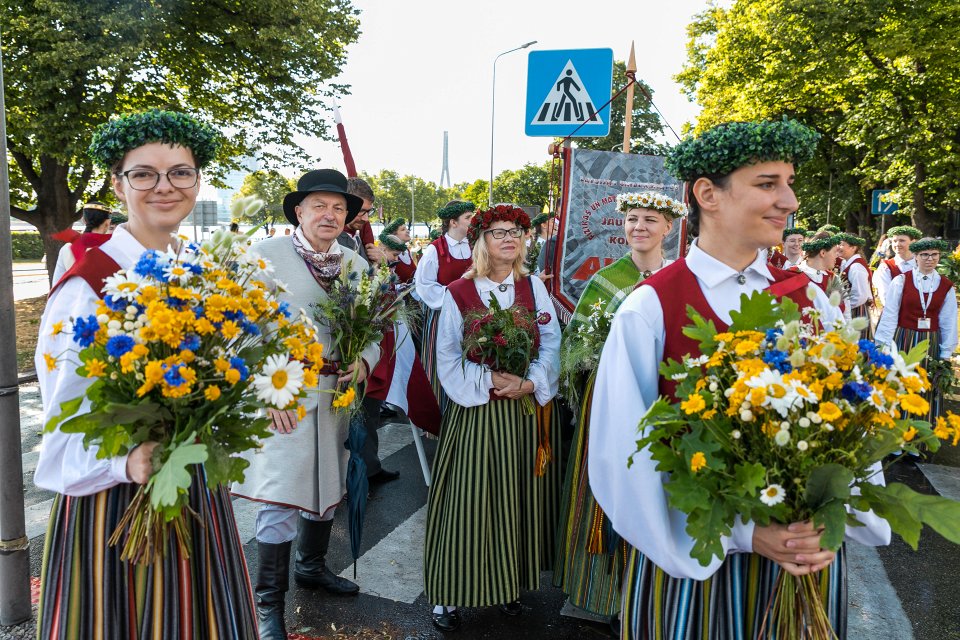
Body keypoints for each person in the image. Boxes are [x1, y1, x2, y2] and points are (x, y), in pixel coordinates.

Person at [588, 119, 892, 640]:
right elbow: (623, 455)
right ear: (707, 193)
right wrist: (745, 532)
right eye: (768, 183)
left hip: (802, 556)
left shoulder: (812, 299)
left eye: (789, 183)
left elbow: (851, 423)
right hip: (696, 564)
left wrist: (831, 513)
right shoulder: (651, 307)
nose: (790, 200)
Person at [35, 109, 257, 638]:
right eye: (144, 173)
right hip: (115, 502)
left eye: (181, 172)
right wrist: (125, 462)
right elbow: (63, 421)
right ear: (118, 185)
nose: (165, 186)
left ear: (197, 180)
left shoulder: (200, 268)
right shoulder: (88, 284)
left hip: (191, 485)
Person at [231, 168, 381, 640]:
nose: (330, 214)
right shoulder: (264, 257)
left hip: (335, 397)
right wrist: (268, 387)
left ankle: (311, 567)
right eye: (319, 205)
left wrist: (364, 361)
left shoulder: (355, 266)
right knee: (280, 496)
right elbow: (236, 331)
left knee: (324, 491)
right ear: (299, 211)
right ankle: (268, 603)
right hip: (285, 397)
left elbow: (373, 329)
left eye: (339, 208)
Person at [424, 204, 561, 632]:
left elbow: (552, 342)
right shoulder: (458, 292)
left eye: (517, 232)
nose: (510, 239)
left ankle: (509, 585)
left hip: (522, 411)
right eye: (499, 231)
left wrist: (531, 381)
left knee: (516, 499)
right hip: (479, 413)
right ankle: (450, 593)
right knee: (468, 500)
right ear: (481, 240)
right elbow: (446, 354)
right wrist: (487, 380)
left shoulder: (534, 287)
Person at [553, 191, 683, 625]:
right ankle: (601, 593)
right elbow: (575, 344)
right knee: (604, 484)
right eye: (631, 219)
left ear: (669, 227)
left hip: (665, 401)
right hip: (609, 398)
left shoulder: (681, 279)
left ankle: (655, 591)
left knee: (660, 489)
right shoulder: (605, 280)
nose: (639, 226)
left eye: (650, 219)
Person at [875, 237, 957, 425]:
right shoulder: (901, 281)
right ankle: (895, 442)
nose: (930, 258)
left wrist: (945, 354)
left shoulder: (946, 286)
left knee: (927, 387)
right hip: (904, 338)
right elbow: (890, 315)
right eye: (925, 255)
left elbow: (948, 321)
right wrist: (884, 346)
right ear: (916, 257)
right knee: (901, 384)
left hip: (931, 343)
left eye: (934, 254)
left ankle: (920, 442)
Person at [414, 200, 476, 413]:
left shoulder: (475, 246)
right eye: (468, 217)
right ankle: (439, 416)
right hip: (442, 315)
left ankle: (466, 413)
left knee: (469, 360)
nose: (472, 221)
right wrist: (451, 298)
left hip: (471, 314)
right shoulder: (435, 249)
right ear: (453, 222)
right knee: (439, 360)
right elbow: (423, 285)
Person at [50, 201, 116, 283]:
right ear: (108, 223)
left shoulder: (67, 248)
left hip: (73, 295)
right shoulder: (114, 247)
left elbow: (57, 283)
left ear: (84, 220)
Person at [336, 176, 382, 264]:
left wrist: (382, 262)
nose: (366, 219)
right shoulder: (331, 241)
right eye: (361, 211)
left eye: (369, 211)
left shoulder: (358, 238)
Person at [874, 225, 921, 306]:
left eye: (902, 240)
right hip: (894, 314)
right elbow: (886, 297)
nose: (897, 244)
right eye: (894, 241)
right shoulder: (886, 267)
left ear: (913, 242)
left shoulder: (921, 265)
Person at [838, 232, 875, 338]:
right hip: (851, 309)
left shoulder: (856, 267)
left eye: (842, 244)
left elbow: (860, 295)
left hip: (856, 310)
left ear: (853, 247)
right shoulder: (847, 263)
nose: (838, 247)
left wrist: (845, 308)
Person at [382, 217, 417, 282]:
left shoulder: (407, 251)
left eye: (406, 228)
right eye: (403, 229)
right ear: (394, 235)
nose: (408, 231)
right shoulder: (389, 256)